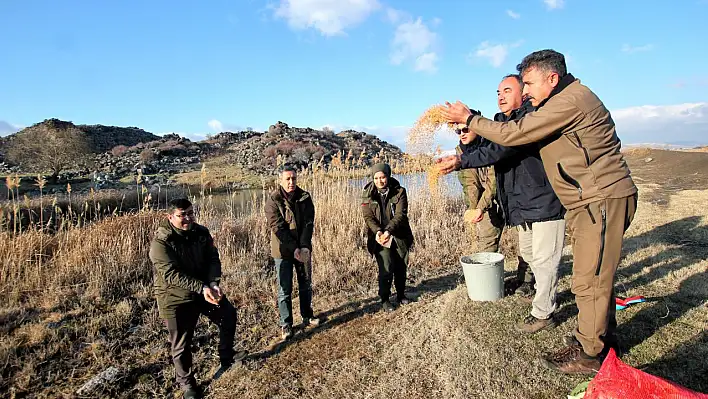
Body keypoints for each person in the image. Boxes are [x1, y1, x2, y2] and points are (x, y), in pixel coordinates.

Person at [440, 49, 638, 375]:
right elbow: (506, 133)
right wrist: (467, 140)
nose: (526, 90)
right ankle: (602, 342)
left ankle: (590, 354)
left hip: (600, 198)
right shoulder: (561, 100)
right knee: (596, 276)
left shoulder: (568, 102)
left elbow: (513, 134)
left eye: (528, 84)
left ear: (552, 78)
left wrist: (470, 119)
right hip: (591, 200)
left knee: (589, 281)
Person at [447, 74, 566, 334]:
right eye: (498, 92)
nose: (500, 96)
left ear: (523, 94)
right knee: (532, 255)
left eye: (507, 90)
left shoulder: (528, 120)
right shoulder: (501, 125)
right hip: (523, 206)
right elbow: (484, 150)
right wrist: (464, 141)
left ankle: (543, 313)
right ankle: (541, 293)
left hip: (544, 202)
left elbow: (501, 149)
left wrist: (461, 157)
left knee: (546, 260)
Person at [149, 198, 245, 399]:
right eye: (181, 215)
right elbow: (171, 274)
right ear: (170, 217)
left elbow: (213, 258)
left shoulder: (201, 232)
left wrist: (213, 282)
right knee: (181, 344)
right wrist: (201, 287)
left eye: (190, 213)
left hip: (203, 291)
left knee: (228, 315)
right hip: (175, 298)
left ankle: (226, 355)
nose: (187, 218)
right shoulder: (161, 242)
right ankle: (187, 385)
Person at [265, 165, 320, 341]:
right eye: (287, 179)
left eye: (294, 178)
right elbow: (278, 228)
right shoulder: (273, 200)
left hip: (302, 249)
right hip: (283, 252)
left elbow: (308, 223)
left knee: (305, 283)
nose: (291, 182)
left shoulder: (305, 197)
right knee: (284, 289)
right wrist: (293, 248)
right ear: (281, 180)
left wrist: (303, 246)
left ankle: (307, 315)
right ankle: (286, 323)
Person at [361, 163, 414, 312]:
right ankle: (384, 299)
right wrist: (378, 232)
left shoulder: (400, 192)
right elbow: (368, 217)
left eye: (383, 177)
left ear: (388, 176)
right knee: (386, 268)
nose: (380, 181)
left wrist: (389, 231)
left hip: (398, 235)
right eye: (376, 178)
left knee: (401, 267)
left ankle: (401, 295)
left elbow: (400, 215)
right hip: (379, 237)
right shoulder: (367, 194)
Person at [455, 133, 504, 253]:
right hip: (485, 200)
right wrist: (473, 209)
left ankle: (526, 271)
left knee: (523, 246)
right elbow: (470, 184)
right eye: (458, 131)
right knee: (487, 242)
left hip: (508, 195)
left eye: (465, 129)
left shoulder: (492, 144)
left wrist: (480, 207)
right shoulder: (461, 151)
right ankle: (487, 269)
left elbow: (493, 182)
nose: (462, 134)